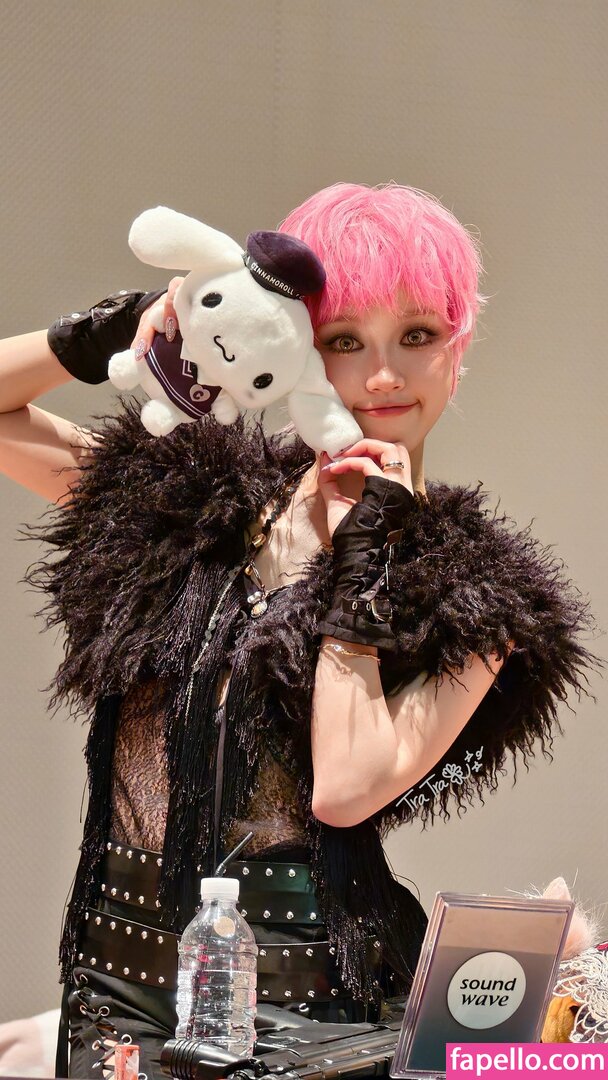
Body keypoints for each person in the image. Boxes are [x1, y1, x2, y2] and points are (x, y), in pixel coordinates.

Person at [0, 182, 599, 1079]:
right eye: (345, 340)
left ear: (458, 353)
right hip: (115, 981)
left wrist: (366, 554)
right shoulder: (189, 506)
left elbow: (346, 789)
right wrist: (111, 331)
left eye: (418, 336)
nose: (384, 375)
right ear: (295, 345)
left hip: (308, 1007)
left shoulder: (476, 596)